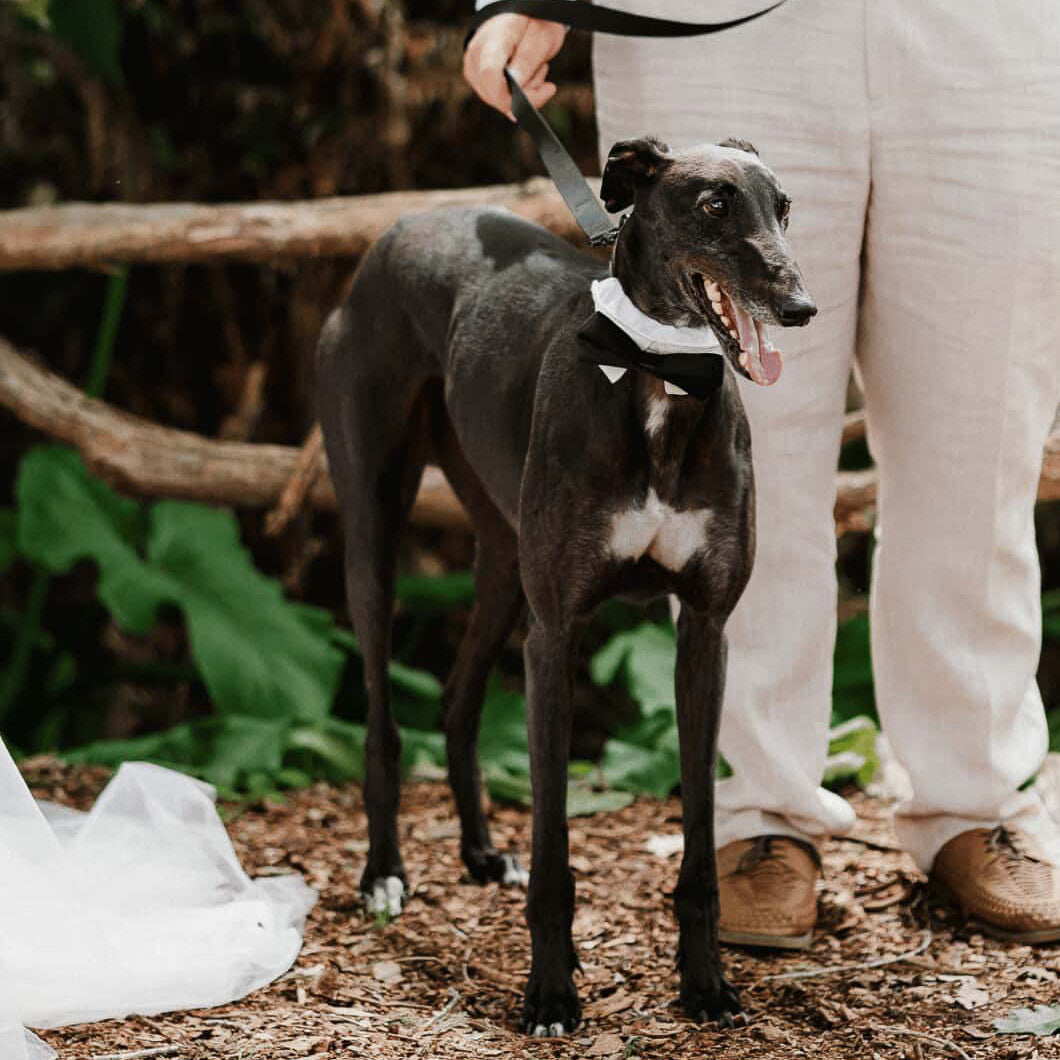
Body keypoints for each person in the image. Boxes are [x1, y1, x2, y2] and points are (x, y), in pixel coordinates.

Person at [464, 0, 1060, 947]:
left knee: (980, 432)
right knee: (728, 456)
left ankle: (978, 799)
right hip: (717, 31)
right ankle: (759, 816)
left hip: (994, 34)